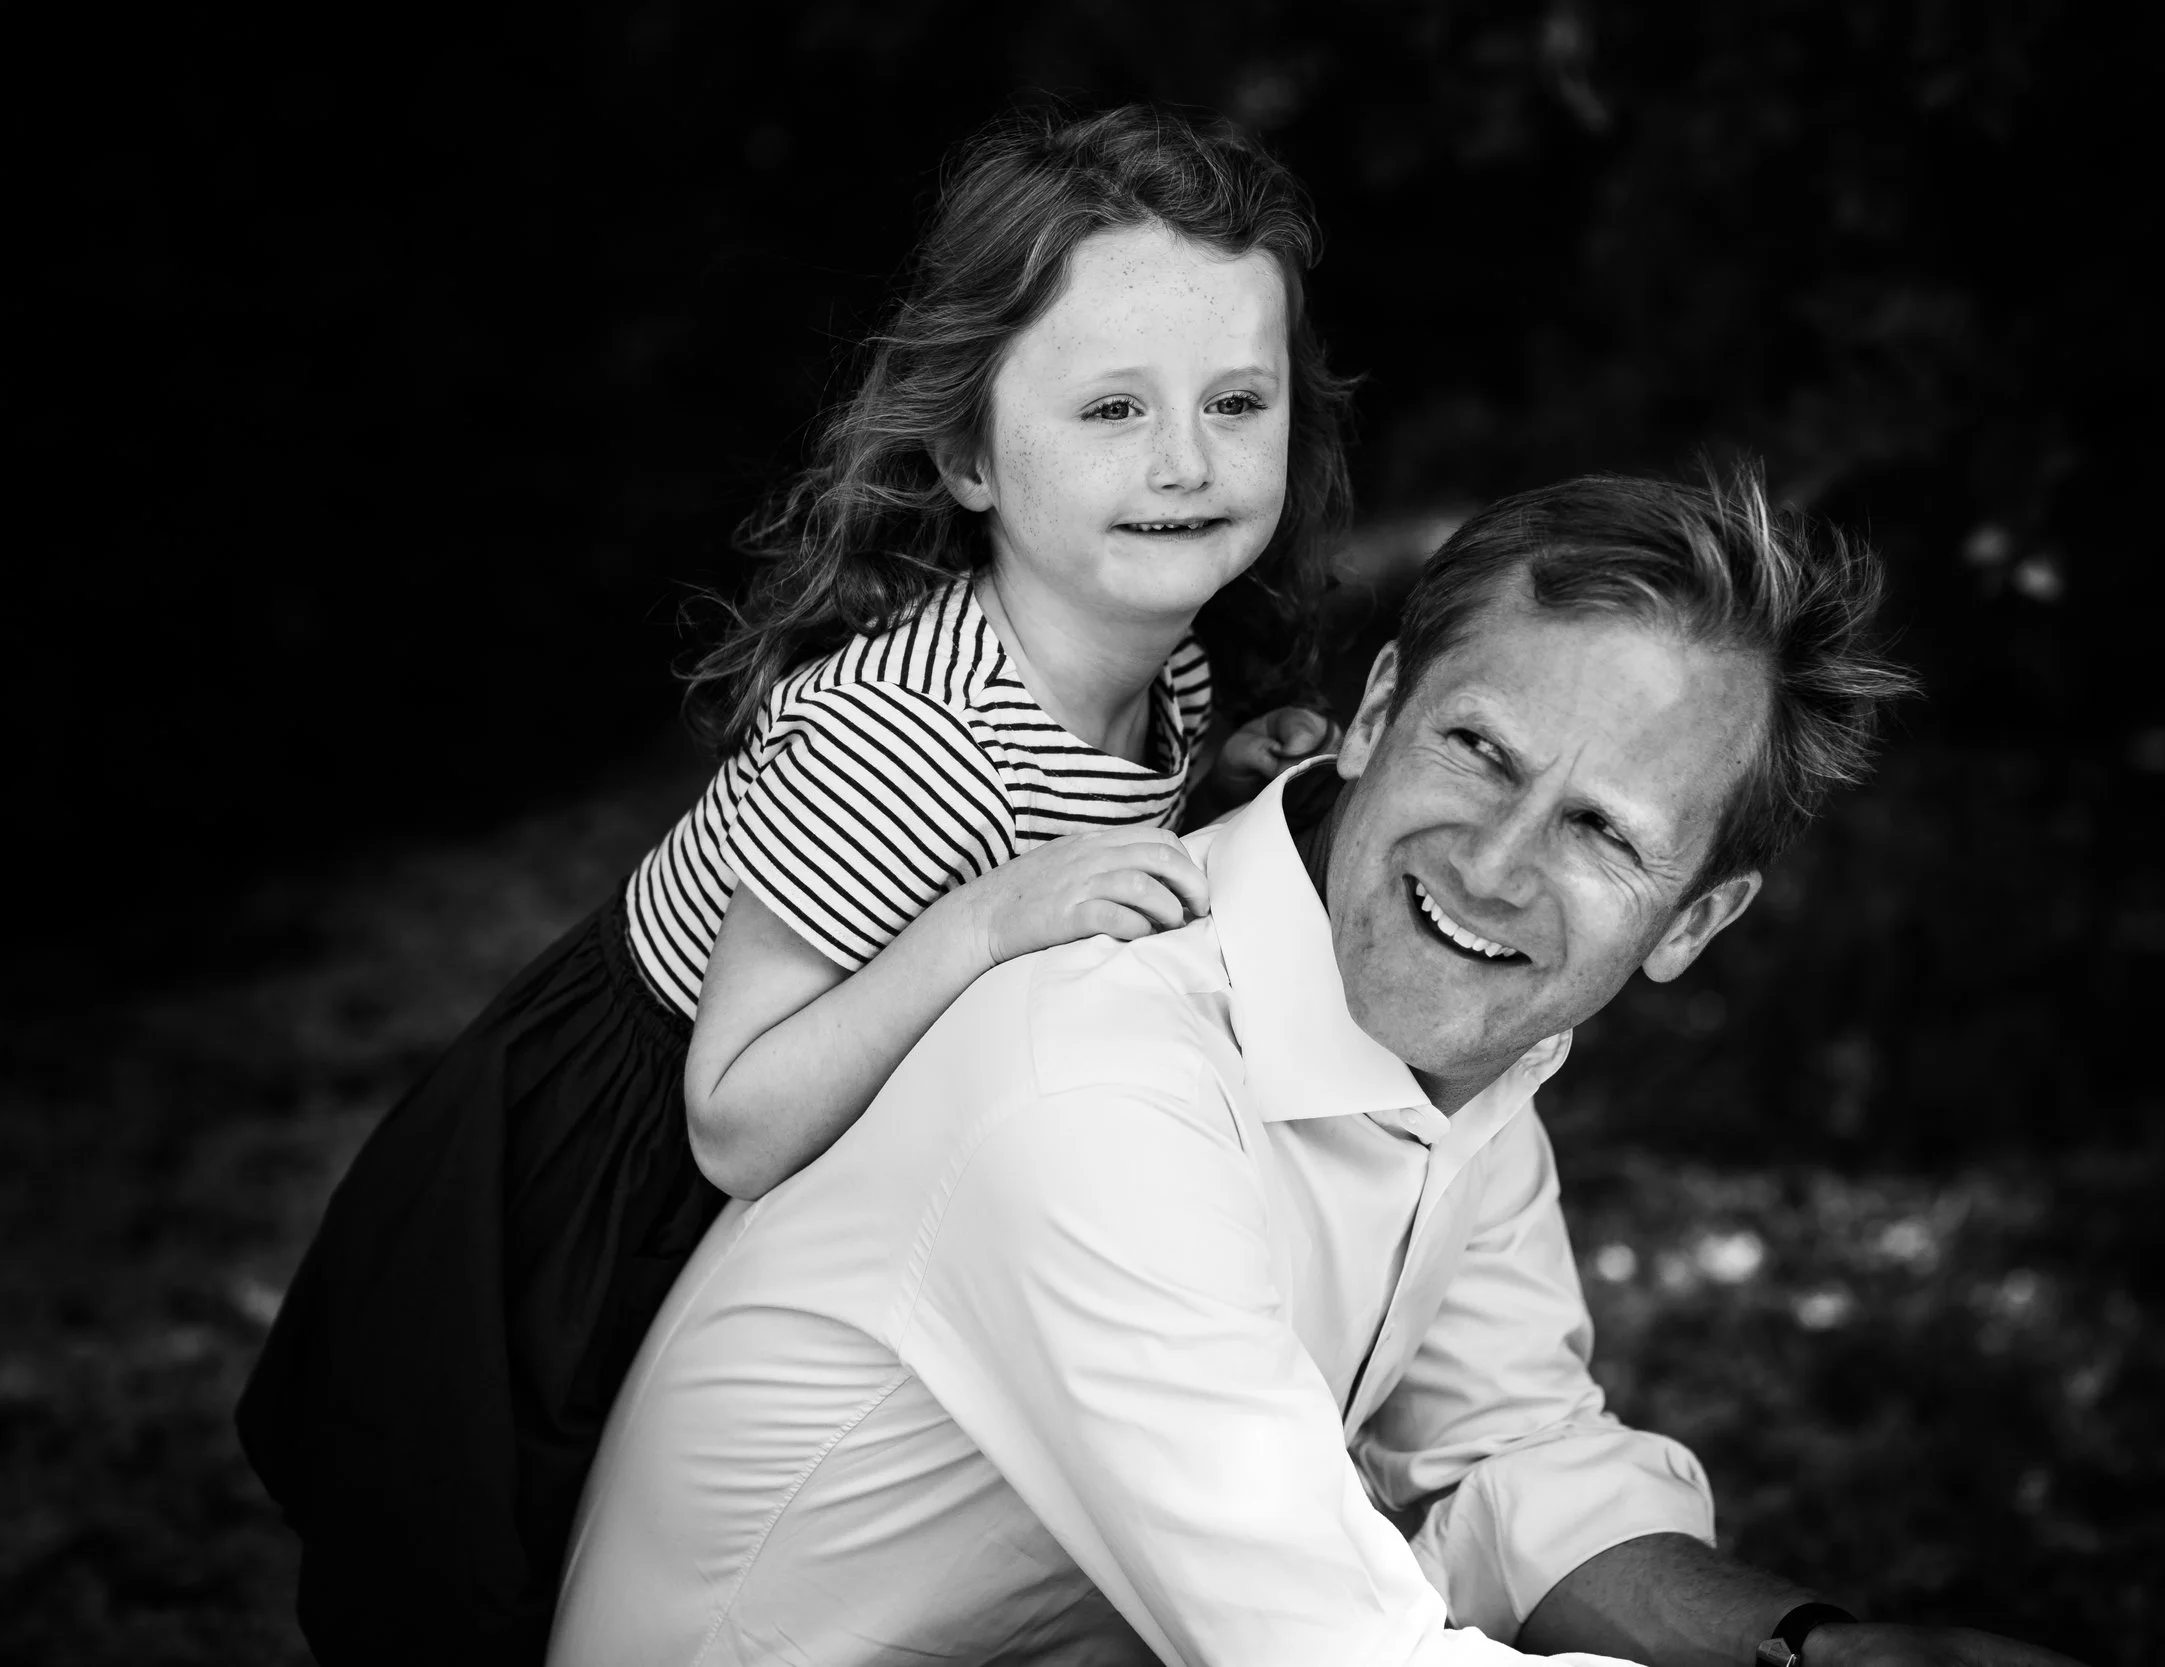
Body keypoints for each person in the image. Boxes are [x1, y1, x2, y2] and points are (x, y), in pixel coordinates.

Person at [550, 467, 2089, 1667]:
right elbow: (1331, 1646)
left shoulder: (1469, 1062)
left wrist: (1815, 1644)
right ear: (1371, 713)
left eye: (1603, 830)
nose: (1492, 869)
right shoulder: (1099, 1077)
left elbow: (1505, 1458)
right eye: (1478, 749)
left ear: (1696, 922)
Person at [236, 103, 1356, 1666]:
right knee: (511, 1578)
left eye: (1238, 399)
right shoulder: (907, 734)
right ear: (968, 451)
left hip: (790, 1170)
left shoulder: (1159, 675)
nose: (1185, 460)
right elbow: (738, 1111)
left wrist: (1234, 777)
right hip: (612, 1166)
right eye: (1111, 407)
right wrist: (989, 917)